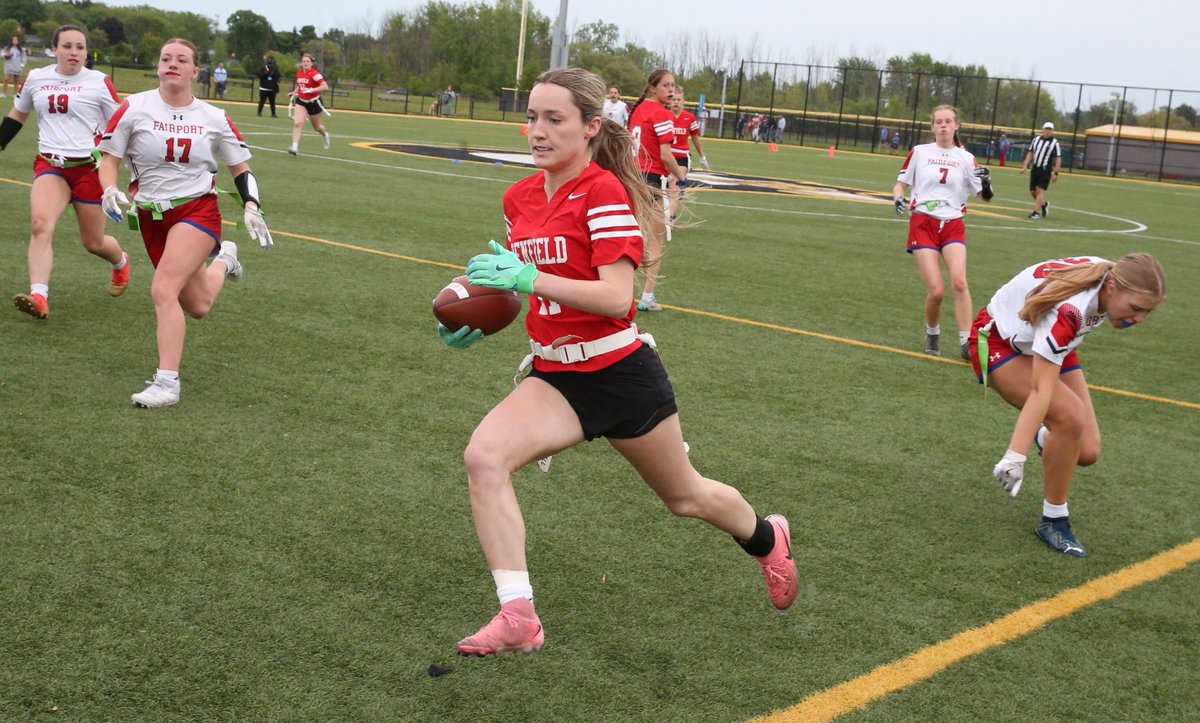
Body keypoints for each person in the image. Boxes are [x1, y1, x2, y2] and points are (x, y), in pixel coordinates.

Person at [439, 66, 798, 657]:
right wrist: (480, 314)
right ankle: (518, 614)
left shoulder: (603, 192)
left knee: (685, 498)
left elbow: (615, 298)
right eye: (532, 117)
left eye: (554, 119)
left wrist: (527, 278)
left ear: (590, 127)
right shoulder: (518, 197)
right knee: (484, 457)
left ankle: (766, 538)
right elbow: (527, 287)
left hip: (618, 373)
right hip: (556, 375)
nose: (537, 131)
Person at [97, 37, 273, 408]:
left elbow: (240, 167)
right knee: (198, 305)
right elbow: (108, 158)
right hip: (152, 216)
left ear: (196, 70)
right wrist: (108, 188)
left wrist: (251, 204)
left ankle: (167, 383)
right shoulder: (133, 107)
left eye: (181, 59)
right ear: (158, 66)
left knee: (163, 288)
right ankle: (225, 260)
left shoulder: (214, 117)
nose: (172, 64)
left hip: (196, 210)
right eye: (166, 58)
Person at [967, 253, 1165, 557]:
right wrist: (1015, 456)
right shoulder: (1070, 310)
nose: (1139, 319)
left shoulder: (1109, 277)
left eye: (1147, 312)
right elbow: (1041, 390)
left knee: (1087, 451)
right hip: (996, 343)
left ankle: (1048, 437)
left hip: (1049, 341)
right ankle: (1053, 521)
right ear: (1112, 287)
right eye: (1136, 308)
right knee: (1070, 417)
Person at [0, 25, 131, 320]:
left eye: (80, 47)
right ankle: (39, 296)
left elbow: (121, 124)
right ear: (54, 49)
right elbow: (18, 114)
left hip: (88, 170)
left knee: (94, 243)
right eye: (67, 46)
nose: (74, 52)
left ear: (86, 52)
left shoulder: (99, 82)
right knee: (39, 225)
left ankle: (120, 262)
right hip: (51, 166)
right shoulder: (36, 77)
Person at [891, 105, 993, 360]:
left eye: (948, 121)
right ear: (933, 126)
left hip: (953, 224)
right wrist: (898, 198)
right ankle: (932, 333)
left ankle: (966, 342)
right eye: (939, 121)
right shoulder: (920, 152)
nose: (944, 125)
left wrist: (987, 182)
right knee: (936, 291)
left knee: (959, 282)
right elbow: (900, 185)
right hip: (923, 223)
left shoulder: (966, 158)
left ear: (956, 126)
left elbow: (984, 196)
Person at [627, 69, 686, 312]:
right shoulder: (661, 114)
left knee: (631, 236)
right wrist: (680, 176)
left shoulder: (639, 110)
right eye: (666, 85)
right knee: (654, 241)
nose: (671, 89)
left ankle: (619, 290)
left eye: (673, 85)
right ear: (653, 88)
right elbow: (665, 154)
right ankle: (647, 297)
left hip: (632, 177)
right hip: (650, 180)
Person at [666, 86, 708, 222]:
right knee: (663, 189)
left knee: (673, 186)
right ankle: (667, 213)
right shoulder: (664, 116)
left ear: (683, 101)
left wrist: (702, 157)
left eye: (678, 99)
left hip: (681, 158)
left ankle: (669, 219)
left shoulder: (689, 118)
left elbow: (695, 138)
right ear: (669, 101)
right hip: (665, 157)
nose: (676, 102)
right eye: (673, 99)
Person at [287, 53, 330, 155]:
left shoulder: (315, 74)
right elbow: (300, 86)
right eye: (304, 61)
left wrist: (311, 90)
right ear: (301, 63)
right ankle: (294, 147)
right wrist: (294, 92)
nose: (305, 63)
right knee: (297, 123)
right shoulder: (299, 73)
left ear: (311, 63)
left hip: (314, 102)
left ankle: (325, 135)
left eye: (308, 61)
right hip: (301, 101)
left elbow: (325, 86)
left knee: (317, 127)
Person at [1020, 122, 1061, 219]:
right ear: (1043, 129)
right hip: (1035, 168)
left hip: (1045, 169)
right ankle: (1044, 204)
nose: (1048, 131)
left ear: (1052, 131)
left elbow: (1058, 158)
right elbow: (1030, 152)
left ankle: (1036, 213)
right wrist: (1025, 165)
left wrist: (1056, 172)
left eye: (1050, 129)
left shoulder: (1055, 143)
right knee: (1032, 192)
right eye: (1046, 129)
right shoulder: (1036, 140)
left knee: (1039, 190)